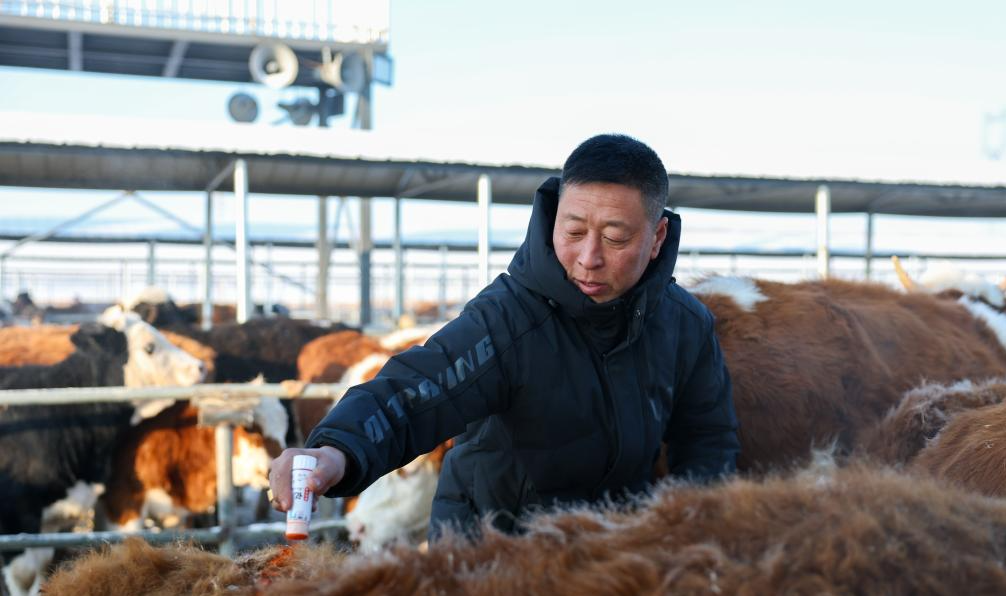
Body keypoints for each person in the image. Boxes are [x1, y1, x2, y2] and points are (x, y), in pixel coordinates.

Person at [270, 133, 740, 539]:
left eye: (616, 239)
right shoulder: (510, 317)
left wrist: (682, 531)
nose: (588, 257)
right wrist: (336, 451)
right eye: (573, 231)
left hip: (612, 560)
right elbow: (416, 391)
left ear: (657, 238)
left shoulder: (685, 325)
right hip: (493, 555)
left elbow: (707, 439)